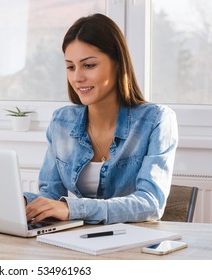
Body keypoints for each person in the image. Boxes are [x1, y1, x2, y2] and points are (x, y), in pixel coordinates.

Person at [24, 13, 178, 225]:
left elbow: (150, 204)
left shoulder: (156, 120)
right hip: (79, 243)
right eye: (70, 67)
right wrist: (21, 201)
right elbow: (51, 195)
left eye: (89, 65)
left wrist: (74, 208)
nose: (77, 77)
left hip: (134, 247)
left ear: (118, 63)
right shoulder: (61, 121)